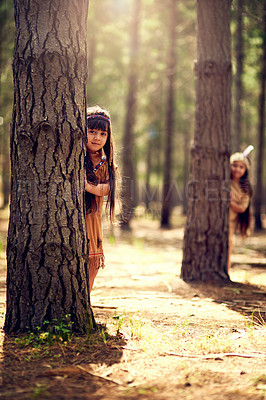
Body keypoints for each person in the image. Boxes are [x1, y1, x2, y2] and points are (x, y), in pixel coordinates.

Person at [85, 106, 117, 292]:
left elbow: (108, 188)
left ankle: (84, 301)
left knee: (92, 265)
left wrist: (89, 187)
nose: (97, 137)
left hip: (93, 220)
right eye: (92, 131)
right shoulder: (75, 156)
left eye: (102, 133)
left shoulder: (105, 162)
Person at [228, 145, 254, 273]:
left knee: (227, 246)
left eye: (241, 167)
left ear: (245, 170)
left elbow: (242, 208)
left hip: (230, 223)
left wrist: (230, 202)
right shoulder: (224, 181)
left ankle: (225, 272)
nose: (237, 169)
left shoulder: (245, 189)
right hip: (215, 221)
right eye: (235, 165)